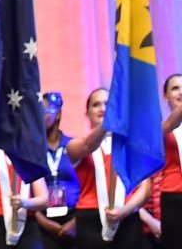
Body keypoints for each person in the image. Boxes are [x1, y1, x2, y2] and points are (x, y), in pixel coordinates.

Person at [66, 88, 150, 248]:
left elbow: (145, 187)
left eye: (107, 104)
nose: (103, 108)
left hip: (128, 217)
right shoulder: (75, 144)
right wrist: (109, 122)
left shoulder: (131, 145)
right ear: (87, 113)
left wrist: (124, 211)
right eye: (96, 105)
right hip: (91, 219)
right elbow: (87, 146)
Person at [0, 140, 48, 247]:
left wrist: (25, 202)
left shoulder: (29, 156)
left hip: (26, 221)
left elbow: (44, 199)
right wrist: (0, 133)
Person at [35, 92, 80, 248]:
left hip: (75, 218)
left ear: (59, 114)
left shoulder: (74, 146)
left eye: (45, 110)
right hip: (42, 221)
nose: (40, 115)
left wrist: (76, 222)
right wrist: (44, 222)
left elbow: (88, 187)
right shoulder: (33, 151)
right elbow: (24, 190)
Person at [154, 72, 182, 244]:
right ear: (165, 96)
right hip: (174, 196)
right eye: (175, 88)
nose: (181, 92)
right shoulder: (163, 126)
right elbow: (172, 124)